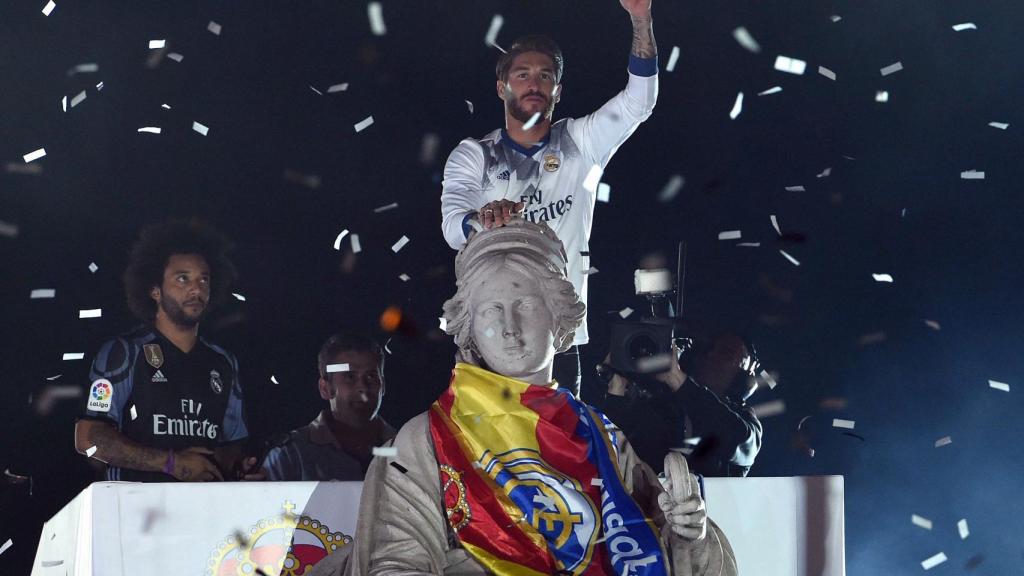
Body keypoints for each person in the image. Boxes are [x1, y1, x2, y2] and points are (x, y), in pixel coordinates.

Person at [322, 220, 735, 575]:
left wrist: (688, 536)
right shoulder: (426, 440)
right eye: (490, 311)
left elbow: (676, 560)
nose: (509, 327)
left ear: (559, 319)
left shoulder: (603, 438)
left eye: (526, 305)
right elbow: (396, 564)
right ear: (468, 328)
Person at [440, 0, 660, 396]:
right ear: (501, 87)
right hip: (491, 339)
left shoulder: (580, 142)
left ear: (558, 89)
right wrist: (483, 220)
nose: (533, 84)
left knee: (560, 455)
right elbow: (453, 223)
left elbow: (639, 103)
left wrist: (640, 19)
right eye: (522, 75)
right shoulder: (476, 153)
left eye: (545, 76)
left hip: (560, 340)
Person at [73, 220, 262, 482]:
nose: (196, 289)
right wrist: (171, 463)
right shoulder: (124, 352)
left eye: (203, 280)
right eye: (182, 278)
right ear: (154, 290)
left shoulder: (224, 363)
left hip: (205, 512)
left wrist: (236, 468)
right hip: (136, 513)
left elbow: (231, 443)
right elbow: (88, 438)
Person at [599, 333, 763, 477]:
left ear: (745, 376)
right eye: (711, 349)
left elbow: (735, 437)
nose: (712, 356)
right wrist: (617, 388)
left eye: (726, 354)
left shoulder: (746, 421)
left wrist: (678, 381)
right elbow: (609, 453)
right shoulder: (662, 405)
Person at [262, 333, 397, 481]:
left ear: (383, 386)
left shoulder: (410, 449)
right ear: (325, 388)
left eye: (371, 376)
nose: (362, 387)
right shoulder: (291, 456)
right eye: (349, 376)